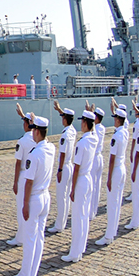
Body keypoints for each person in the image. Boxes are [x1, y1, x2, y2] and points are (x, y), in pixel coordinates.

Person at [10, 115, 55, 276]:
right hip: (45, 196)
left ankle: (24, 275)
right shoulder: (51, 148)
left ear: (36, 131)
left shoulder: (34, 154)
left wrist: (25, 203)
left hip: (35, 197)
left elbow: (29, 182)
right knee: (39, 236)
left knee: (30, 237)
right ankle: (33, 271)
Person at [62, 110, 99, 262]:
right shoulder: (93, 138)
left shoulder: (82, 143)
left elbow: (76, 168)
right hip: (88, 178)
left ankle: (74, 253)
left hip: (81, 179)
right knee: (84, 216)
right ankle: (81, 248)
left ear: (85, 123)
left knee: (77, 218)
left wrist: (72, 188)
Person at [97, 106, 128, 245]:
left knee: (112, 204)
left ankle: (108, 236)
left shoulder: (116, 135)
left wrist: (109, 177)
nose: (114, 121)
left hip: (116, 170)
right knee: (117, 202)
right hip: (122, 168)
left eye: (115, 119)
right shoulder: (125, 132)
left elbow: (112, 158)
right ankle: (113, 231)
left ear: (118, 120)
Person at [8, 107, 36, 247]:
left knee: (21, 207)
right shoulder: (37, 139)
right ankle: (27, 234)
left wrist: (15, 182)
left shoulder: (22, 141)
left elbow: (18, 163)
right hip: (35, 174)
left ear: (26, 124)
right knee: (30, 206)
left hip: (24, 174)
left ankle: (20, 238)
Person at [48, 105, 77, 233]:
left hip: (64, 167)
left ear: (65, 119)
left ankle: (59, 225)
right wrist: (60, 110)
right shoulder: (72, 130)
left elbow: (63, 153)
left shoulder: (65, 135)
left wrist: (59, 170)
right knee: (66, 196)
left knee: (61, 197)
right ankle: (63, 222)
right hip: (70, 165)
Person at [90, 107, 107, 220]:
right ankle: (93, 210)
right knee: (97, 184)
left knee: (93, 185)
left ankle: (91, 212)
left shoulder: (96, 129)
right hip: (99, 157)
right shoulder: (102, 128)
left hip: (95, 157)